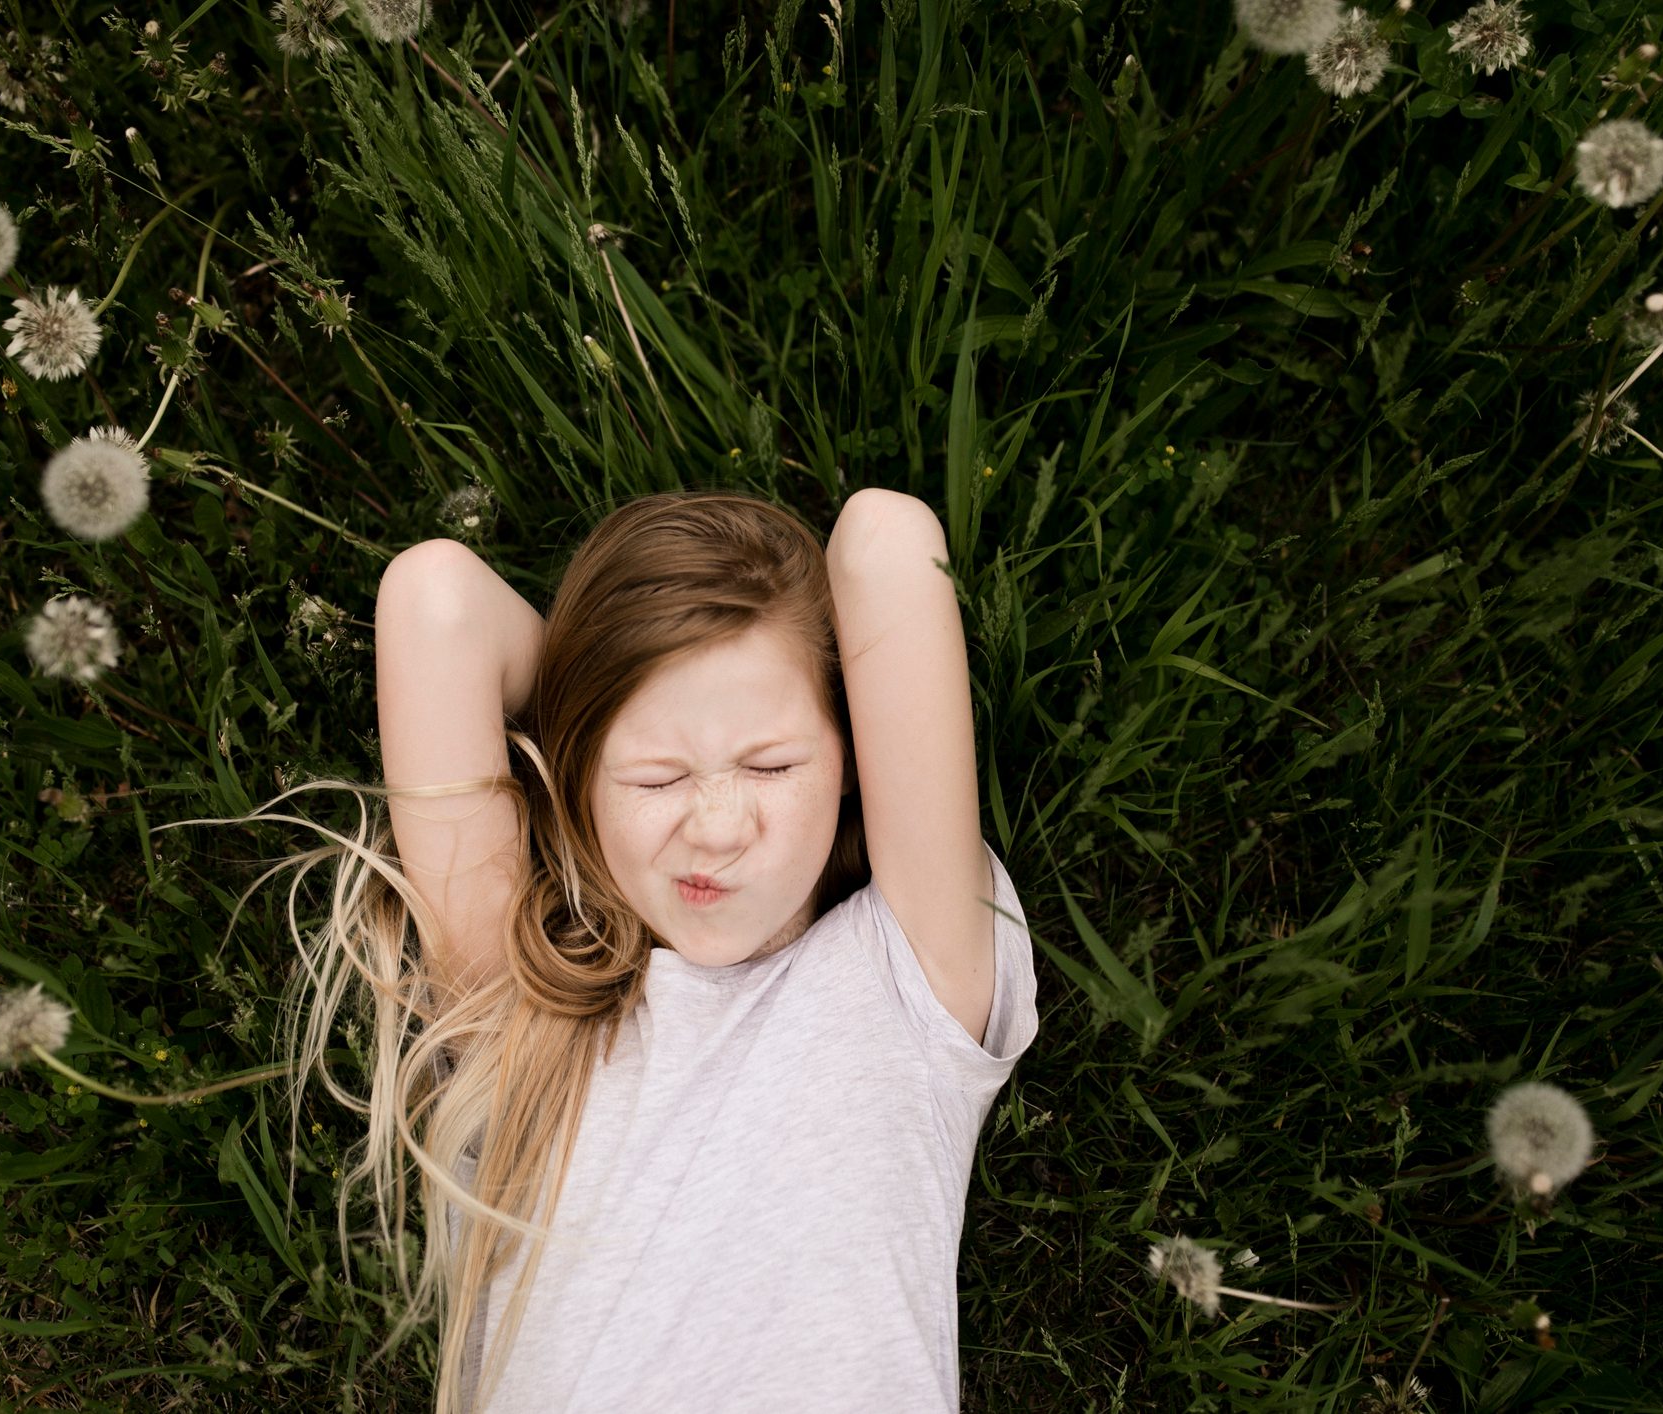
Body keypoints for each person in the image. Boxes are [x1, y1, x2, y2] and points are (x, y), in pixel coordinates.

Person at [186, 487, 1038, 1413]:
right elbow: (436, 604)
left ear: (851, 761)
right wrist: (610, 670)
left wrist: (656, 689)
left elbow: (883, 539)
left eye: (772, 765)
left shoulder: (906, 973)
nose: (717, 829)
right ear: (577, 778)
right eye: (655, 775)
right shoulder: (525, 1018)